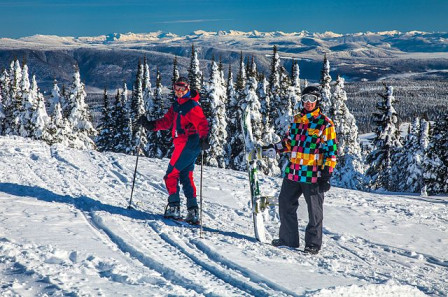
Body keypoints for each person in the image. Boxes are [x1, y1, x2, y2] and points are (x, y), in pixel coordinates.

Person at [262, 86, 337, 254]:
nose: (308, 102)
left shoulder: (324, 123)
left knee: (314, 211)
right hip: (294, 171)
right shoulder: (297, 120)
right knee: (285, 203)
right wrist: (274, 148)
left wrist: (326, 174)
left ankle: (312, 244)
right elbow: (289, 142)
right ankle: (288, 239)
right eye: (305, 98)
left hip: (312, 174)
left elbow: (331, 150)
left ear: (317, 101)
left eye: (312, 98)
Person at [138, 76, 210, 224]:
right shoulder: (177, 105)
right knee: (185, 175)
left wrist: (204, 138)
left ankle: (174, 207)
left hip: (188, 144)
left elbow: (202, 122)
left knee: (171, 175)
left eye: (182, 88)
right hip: (184, 144)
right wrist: (151, 125)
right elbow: (167, 121)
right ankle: (192, 211)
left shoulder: (191, 105)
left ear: (188, 88)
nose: (179, 91)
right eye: (176, 88)